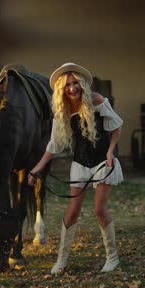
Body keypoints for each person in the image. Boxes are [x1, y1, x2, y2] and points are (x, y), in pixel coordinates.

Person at [28, 62, 123, 275]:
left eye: (75, 83)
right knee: (72, 211)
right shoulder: (62, 111)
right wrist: (37, 168)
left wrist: (111, 152)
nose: (72, 88)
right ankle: (61, 260)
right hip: (80, 163)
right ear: (62, 88)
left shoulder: (96, 100)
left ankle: (112, 257)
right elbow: (53, 145)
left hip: (102, 161)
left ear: (81, 84)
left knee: (99, 209)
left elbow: (116, 125)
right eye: (68, 84)